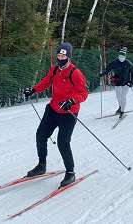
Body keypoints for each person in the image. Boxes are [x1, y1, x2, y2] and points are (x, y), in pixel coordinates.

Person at [23, 42, 88, 188]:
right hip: (53, 109)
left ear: (69, 57)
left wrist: (71, 101)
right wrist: (33, 91)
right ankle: (41, 165)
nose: (60, 58)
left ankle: (70, 173)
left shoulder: (75, 73)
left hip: (69, 113)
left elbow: (83, 93)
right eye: (59, 55)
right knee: (41, 135)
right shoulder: (54, 70)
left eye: (63, 56)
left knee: (63, 142)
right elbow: (46, 82)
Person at [99, 47, 133, 119]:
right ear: (118, 56)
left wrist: (131, 82)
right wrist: (103, 73)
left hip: (126, 83)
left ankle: (122, 112)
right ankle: (120, 107)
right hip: (118, 82)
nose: (121, 58)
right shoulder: (115, 62)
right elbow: (108, 69)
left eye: (123, 57)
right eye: (120, 56)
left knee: (123, 96)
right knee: (119, 97)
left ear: (125, 57)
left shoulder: (128, 63)